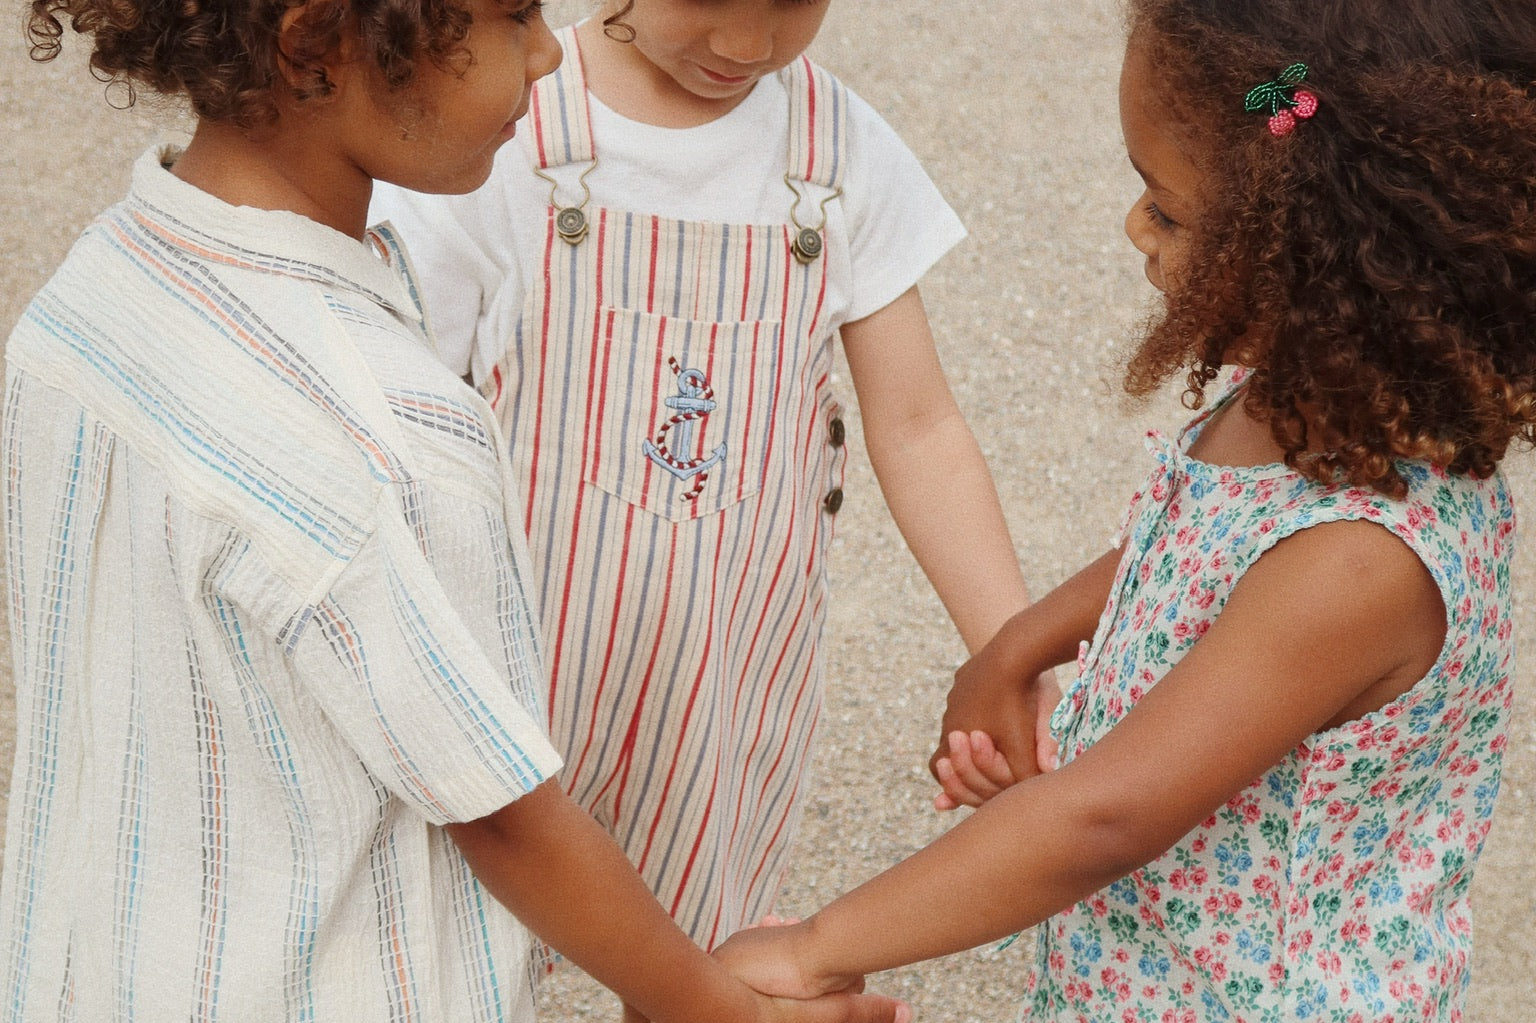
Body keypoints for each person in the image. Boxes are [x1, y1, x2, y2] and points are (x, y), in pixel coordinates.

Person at [0, 0, 910, 1020]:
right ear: (315, 46)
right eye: (513, 12)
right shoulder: (391, 432)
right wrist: (717, 1005)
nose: (549, 47)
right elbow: (502, 814)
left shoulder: (81, 304)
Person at [713, 0, 1536, 1019]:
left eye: (1170, 209)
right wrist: (1018, 647)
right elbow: (1190, 549)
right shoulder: (1302, 398)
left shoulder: (1361, 562)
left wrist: (817, 946)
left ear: (1322, 245)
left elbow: (1105, 821)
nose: (1134, 228)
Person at [370, 0, 1031, 966]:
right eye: (709, 2)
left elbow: (920, 424)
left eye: (793, 5)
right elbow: (394, 407)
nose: (746, 47)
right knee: (462, 948)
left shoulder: (833, 151)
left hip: (720, 685)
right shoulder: (504, 131)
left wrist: (1013, 654)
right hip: (507, 670)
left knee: (691, 964)